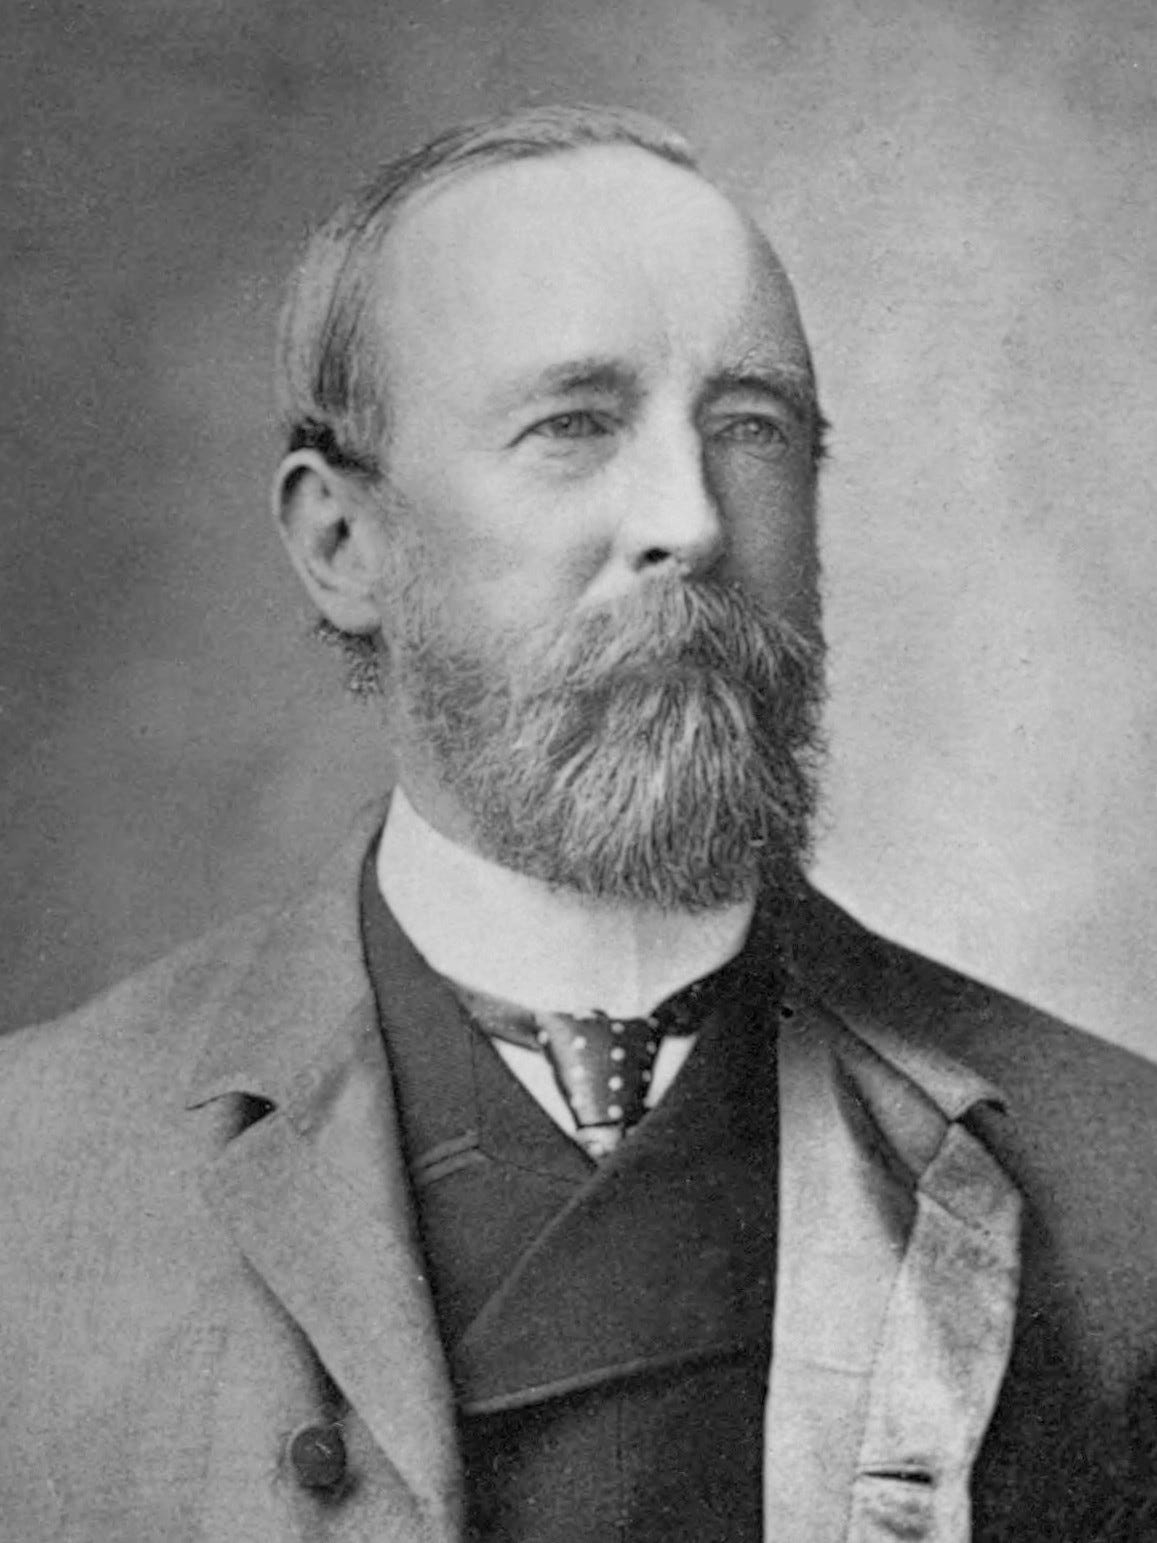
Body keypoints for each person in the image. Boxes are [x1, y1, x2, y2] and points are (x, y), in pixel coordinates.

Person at [1, 104, 1154, 1543]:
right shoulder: (31, 1173)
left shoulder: (1123, 1193)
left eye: (750, 427)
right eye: (573, 425)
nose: (691, 521)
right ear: (343, 542)